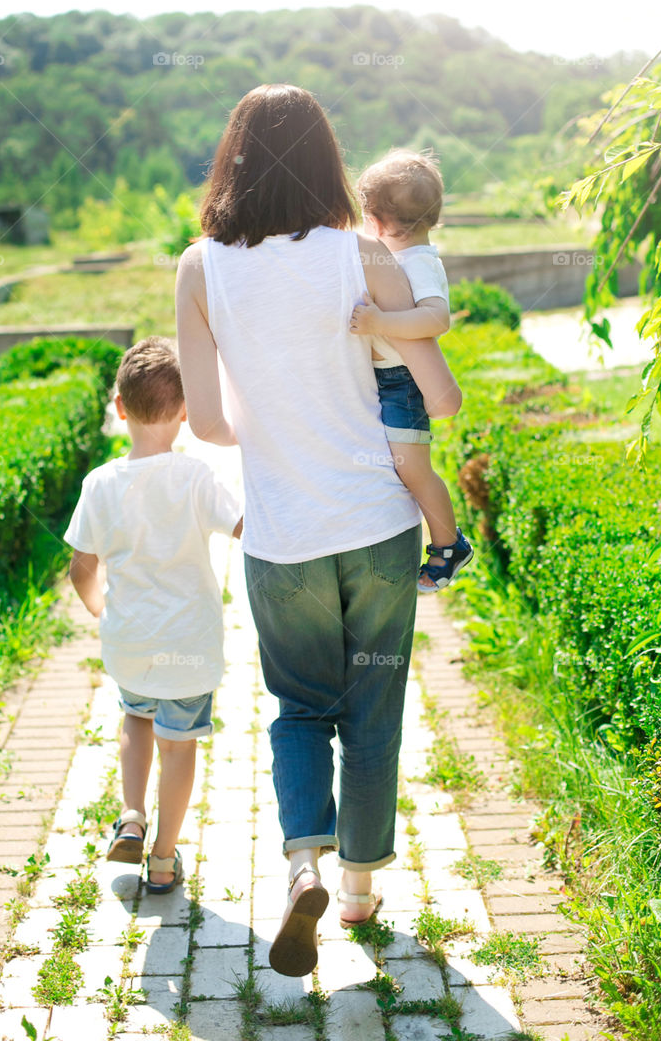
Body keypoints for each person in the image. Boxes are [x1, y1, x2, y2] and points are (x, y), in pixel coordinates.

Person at [176, 84, 462, 976]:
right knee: (373, 709)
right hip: (378, 527)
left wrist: (271, 416)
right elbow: (435, 387)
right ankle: (361, 894)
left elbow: (211, 426)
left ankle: (303, 859)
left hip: (284, 536)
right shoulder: (362, 255)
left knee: (301, 709)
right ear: (328, 162)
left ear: (234, 161)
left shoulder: (201, 267)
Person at [65, 337, 242, 893]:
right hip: (188, 647)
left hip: (130, 643)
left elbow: (81, 568)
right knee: (179, 743)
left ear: (119, 406)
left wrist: (100, 611)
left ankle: (132, 815)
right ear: (186, 412)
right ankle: (163, 858)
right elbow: (244, 527)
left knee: (135, 719)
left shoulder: (99, 484)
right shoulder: (194, 477)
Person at [350, 149, 474, 591]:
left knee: (413, 469)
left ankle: (448, 546)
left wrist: (380, 322)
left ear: (379, 223)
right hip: (391, 378)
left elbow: (436, 318)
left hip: (403, 383)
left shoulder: (416, 262)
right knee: (404, 466)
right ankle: (445, 543)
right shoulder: (401, 257)